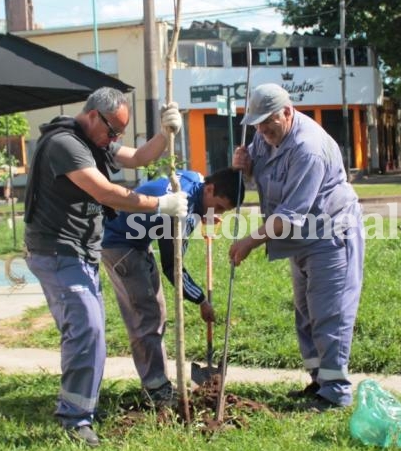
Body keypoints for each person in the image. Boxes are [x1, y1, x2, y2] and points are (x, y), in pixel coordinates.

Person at [24, 87, 189, 447]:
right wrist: (161, 204)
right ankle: (74, 419)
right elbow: (106, 193)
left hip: (80, 253)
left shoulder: (97, 142)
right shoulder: (64, 146)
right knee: (87, 329)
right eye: (113, 131)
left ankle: (81, 409)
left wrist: (165, 132)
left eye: (119, 135)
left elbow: (140, 156)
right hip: (57, 252)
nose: (115, 140)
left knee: (90, 332)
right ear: (94, 116)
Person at [229, 83, 365, 411]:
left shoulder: (309, 148)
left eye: (268, 123)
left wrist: (249, 241)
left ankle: (335, 394)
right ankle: (319, 382)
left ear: (287, 112)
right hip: (301, 240)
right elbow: (262, 179)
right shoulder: (264, 138)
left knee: (329, 314)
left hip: (331, 235)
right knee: (305, 313)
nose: (262, 131)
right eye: (257, 125)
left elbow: (290, 214)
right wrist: (245, 168)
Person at [101, 168, 244, 409]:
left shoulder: (194, 178)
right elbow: (173, 267)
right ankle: (155, 388)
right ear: (210, 189)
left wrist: (204, 214)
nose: (218, 213)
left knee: (156, 312)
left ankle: (159, 382)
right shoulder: (180, 216)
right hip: (120, 244)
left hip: (136, 239)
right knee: (146, 317)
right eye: (218, 207)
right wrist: (201, 300)